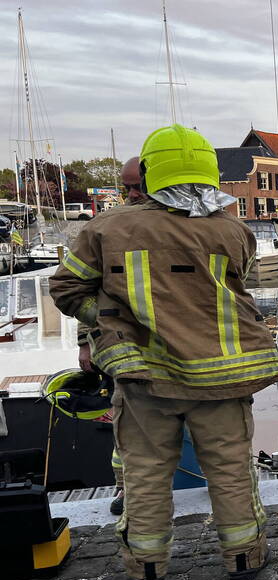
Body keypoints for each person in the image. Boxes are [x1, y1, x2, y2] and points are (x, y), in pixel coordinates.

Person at [50, 124, 278, 580]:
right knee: (231, 470)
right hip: (221, 376)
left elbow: (66, 288)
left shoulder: (104, 229)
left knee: (145, 473)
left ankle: (147, 567)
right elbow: (235, 283)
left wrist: (109, 318)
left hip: (143, 377)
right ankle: (243, 556)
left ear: (150, 173)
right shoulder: (233, 230)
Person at [77, 157, 145, 516]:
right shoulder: (106, 230)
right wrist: (87, 341)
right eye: (127, 187)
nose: (132, 194)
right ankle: (125, 487)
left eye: (138, 187)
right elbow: (82, 289)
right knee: (125, 424)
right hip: (123, 348)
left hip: (171, 349)